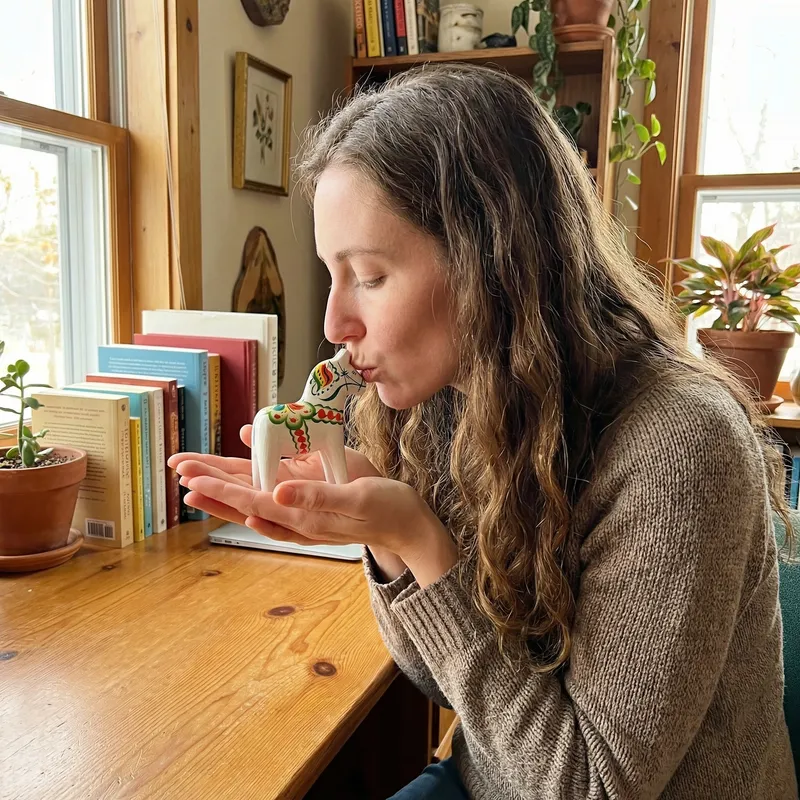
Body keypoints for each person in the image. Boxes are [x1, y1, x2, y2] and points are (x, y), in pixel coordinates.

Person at [168, 65, 797, 799]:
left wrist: (420, 541)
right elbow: (438, 678)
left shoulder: (681, 446)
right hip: (494, 778)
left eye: (369, 276)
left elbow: (588, 789)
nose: (335, 324)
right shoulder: (445, 402)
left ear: (494, 261)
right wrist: (388, 542)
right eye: (332, 276)